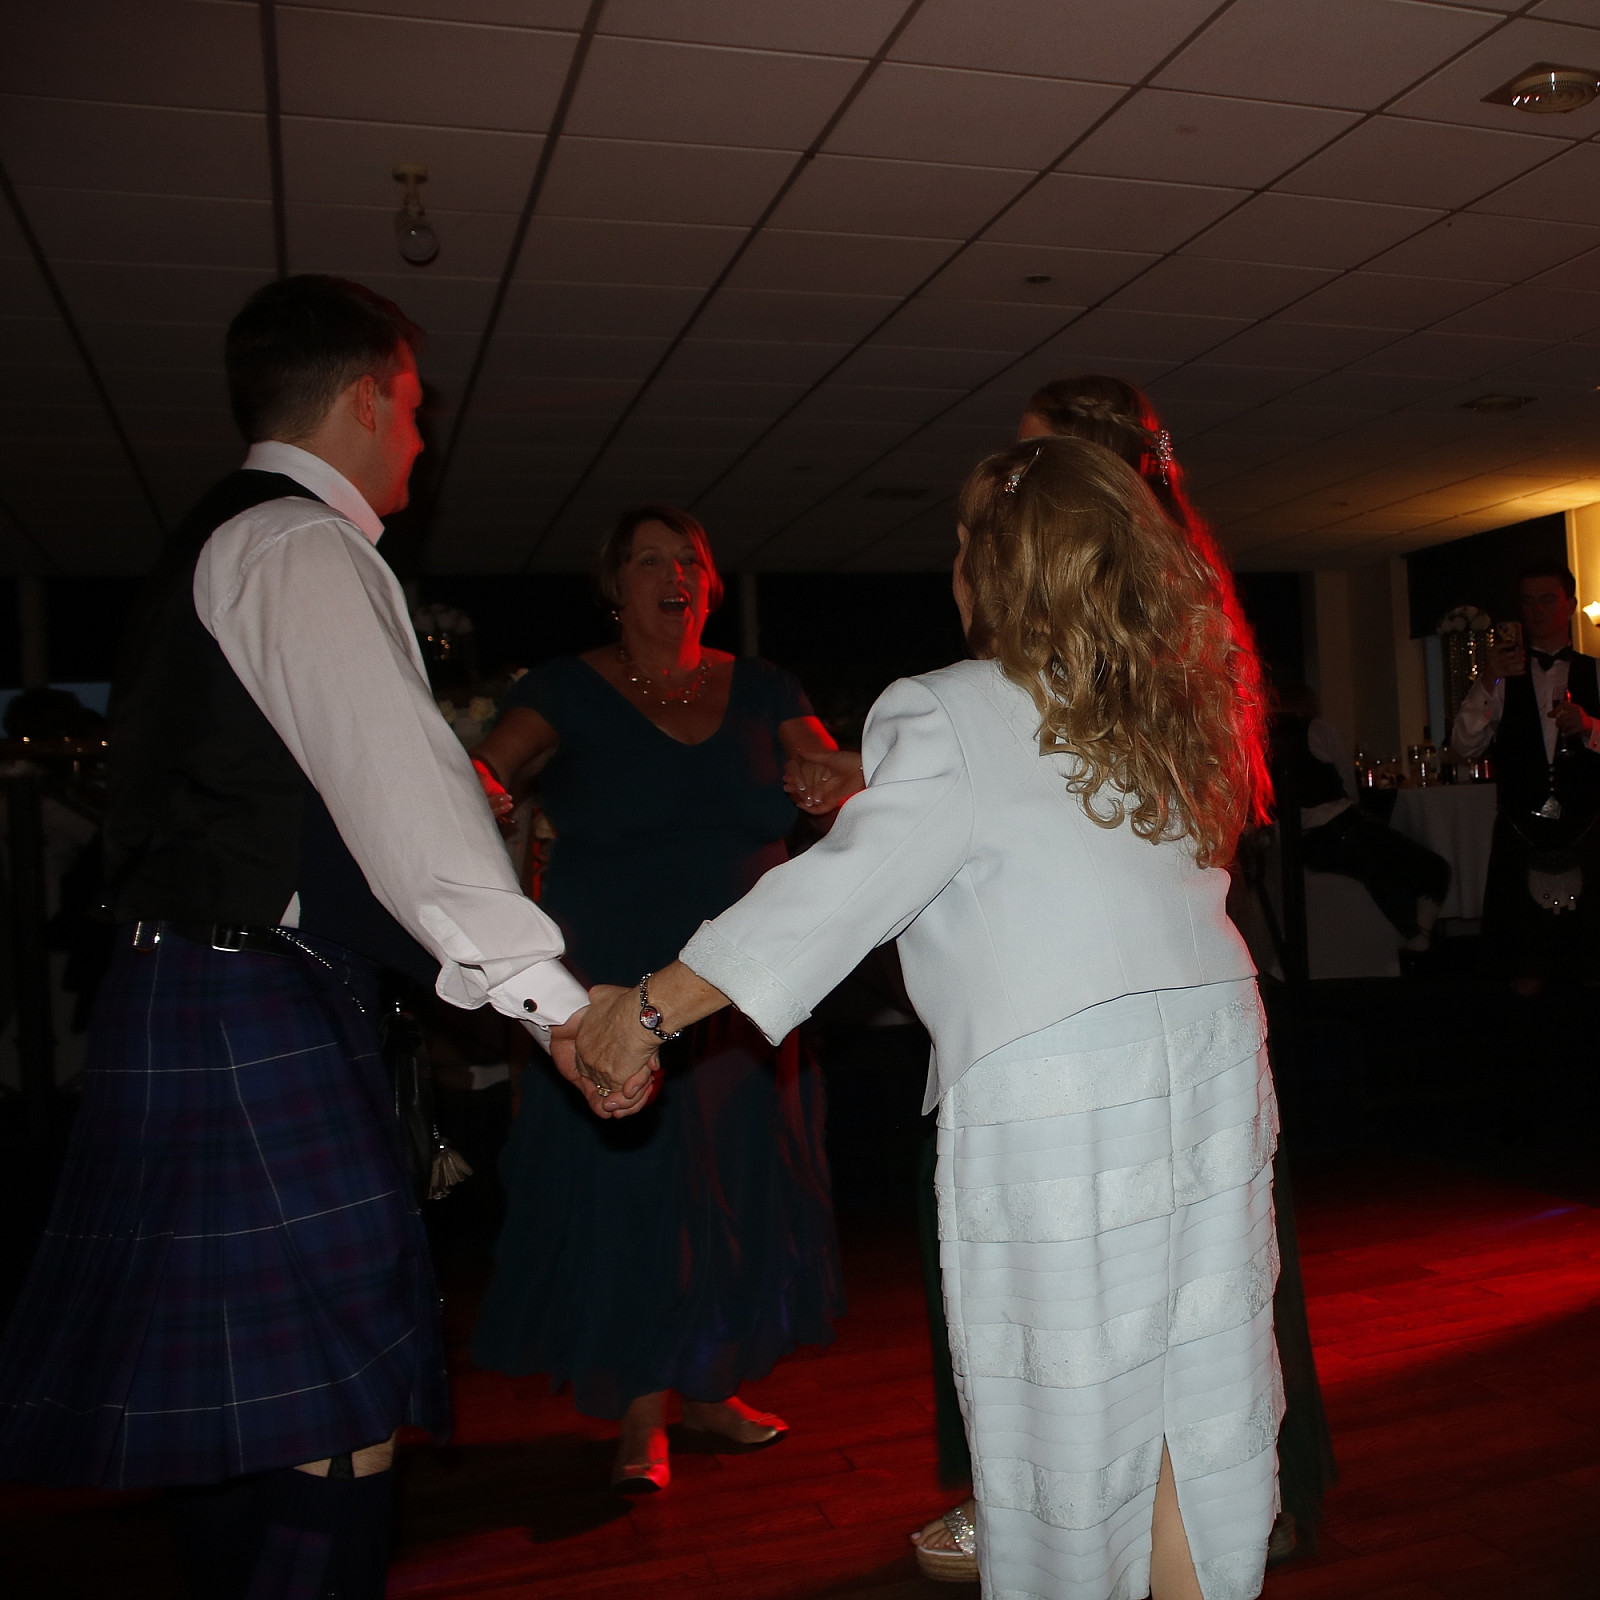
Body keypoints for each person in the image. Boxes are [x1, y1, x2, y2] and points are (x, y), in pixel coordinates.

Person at [574, 435, 1282, 1600]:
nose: (953, 564)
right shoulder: (1173, 706)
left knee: (1072, 1415)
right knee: (1189, 1400)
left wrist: (644, 1009)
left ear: (1003, 566)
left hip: (1062, 1084)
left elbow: (832, 897)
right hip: (1211, 1063)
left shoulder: (948, 708)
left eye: (963, 542)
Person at [0, 275, 602, 1600]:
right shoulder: (298, 545)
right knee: (333, 1405)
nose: (423, 439)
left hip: (194, 993)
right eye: (416, 408)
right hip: (248, 1004)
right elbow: (408, 796)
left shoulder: (218, 539)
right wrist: (558, 1007)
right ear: (366, 398)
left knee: (237, 1425)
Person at [469, 505, 847, 1491]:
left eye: (689, 560)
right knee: (631, 1195)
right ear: (614, 584)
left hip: (744, 984)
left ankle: (712, 1384)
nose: (673, 576)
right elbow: (484, 771)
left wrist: (833, 785)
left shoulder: (764, 687)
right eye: (648, 560)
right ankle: (640, 1405)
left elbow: (831, 772)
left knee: (734, 1185)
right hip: (615, 982)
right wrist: (478, 793)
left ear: (709, 583)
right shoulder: (564, 687)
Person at [1451, 561, 1600, 994]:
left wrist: (1589, 725)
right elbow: (1463, 746)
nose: (1537, 610)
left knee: (1593, 959)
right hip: (1521, 832)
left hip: (1590, 829)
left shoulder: (1595, 671)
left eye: (1547, 600)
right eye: (1528, 602)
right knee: (1523, 963)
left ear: (1570, 604)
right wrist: (1489, 677)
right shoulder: (1499, 679)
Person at [1272, 684, 1450, 951]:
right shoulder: (1319, 731)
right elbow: (1350, 790)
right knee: (1432, 867)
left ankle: (1412, 936)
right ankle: (1417, 937)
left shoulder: (1261, 739)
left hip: (1298, 844)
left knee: (1379, 867)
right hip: (1338, 828)